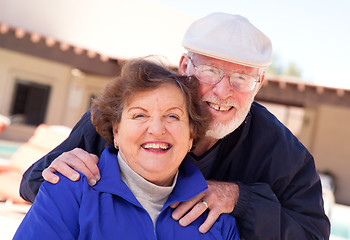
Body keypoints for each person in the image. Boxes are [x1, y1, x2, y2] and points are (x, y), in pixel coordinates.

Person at [20, 12, 330, 239]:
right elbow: (35, 181)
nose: (223, 91)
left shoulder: (283, 153)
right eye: (210, 71)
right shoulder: (123, 117)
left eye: (241, 79)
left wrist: (242, 200)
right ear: (184, 67)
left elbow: (313, 234)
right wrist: (63, 168)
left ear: (259, 84)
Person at [14, 59, 240, 239]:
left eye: (172, 116)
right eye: (140, 115)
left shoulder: (217, 221)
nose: (156, 129)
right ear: (117, 132)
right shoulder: (70, 191)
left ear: (191, 135)